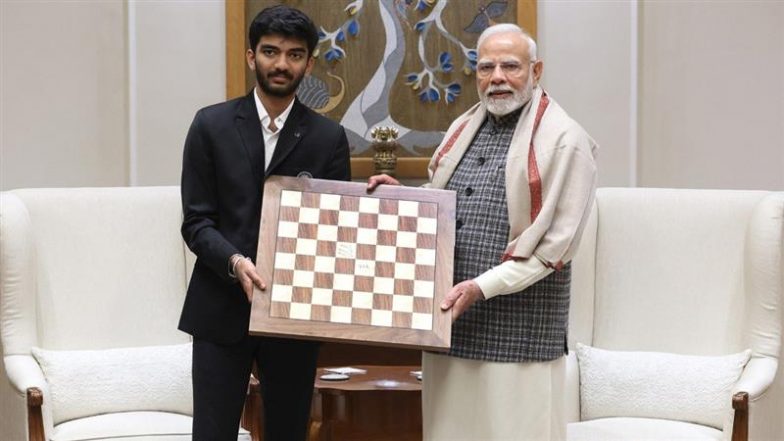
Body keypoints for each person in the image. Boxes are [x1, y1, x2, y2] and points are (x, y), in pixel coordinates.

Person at [368, 23, 598, 440]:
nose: (497, 78)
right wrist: (407, 199)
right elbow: (448, 202)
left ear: (536, 70)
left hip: (521, 334)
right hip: (453, 325)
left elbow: (553, 249)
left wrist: (479, 287)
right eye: (486, 67)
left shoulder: (566, 140)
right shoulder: (464, 127)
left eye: (510, 66)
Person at [178, 5, 351, 440]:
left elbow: (336, 229)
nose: (281, 64)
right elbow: (196, 222)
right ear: (251, 56)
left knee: (288, 432)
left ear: (309, 64)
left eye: (294, 55)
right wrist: (235, 262)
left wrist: (377, 199)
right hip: (220, 308)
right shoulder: (210, 125)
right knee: (213, 433)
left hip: (294, 314)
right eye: (271, 51)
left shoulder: (329, 139)